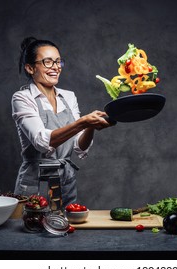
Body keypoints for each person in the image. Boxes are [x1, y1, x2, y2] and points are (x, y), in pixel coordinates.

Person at [12, 37, 111, 208]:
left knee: (65, 227)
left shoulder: (68, 96)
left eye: (58, 62)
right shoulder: (22, 97)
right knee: (31, 230)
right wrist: (83, 122)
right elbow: (41, 141)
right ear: (30, 68)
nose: (56, 67)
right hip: (35, 184)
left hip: (65, 181)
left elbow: (79, 146)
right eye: (48, 62)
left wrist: (89, 126)